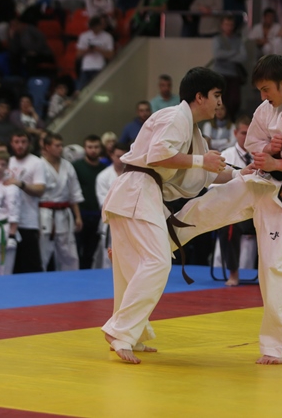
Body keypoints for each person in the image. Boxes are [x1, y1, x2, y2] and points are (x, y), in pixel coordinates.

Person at [173, 55, 282, 364]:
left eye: (267, 89)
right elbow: (253, 144)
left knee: (273, 265)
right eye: (260, 91)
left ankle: (279, 347)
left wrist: (279, 162)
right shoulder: (267, 109)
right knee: (210, 203)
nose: (263, 97)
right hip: (262, 178)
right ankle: (157, 240)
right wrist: (268, 150)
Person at [101, 66, 235, 364]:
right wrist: (201, 160)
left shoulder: (190, 128)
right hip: (137, 191)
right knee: (157, 261)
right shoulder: (176, 117)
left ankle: (131, 334)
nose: (219, 102)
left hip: (136, 192)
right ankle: (120, 330)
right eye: (216, 95)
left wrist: (242, 174)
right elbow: (158, 155)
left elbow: (205, 174)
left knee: (131, 267)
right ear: (199, 97)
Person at [213, 115, 257, 285]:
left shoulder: (261, 155)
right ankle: (233, 273)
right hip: (235, 211)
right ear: (235, 133)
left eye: (250, 133)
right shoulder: (226, 156)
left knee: (281, 226)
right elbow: (213, 186)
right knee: (228, 226)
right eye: (243, 133)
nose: (247, 137)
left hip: (258, 211)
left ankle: (272, 275)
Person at [39, 134, 84, 271]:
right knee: (43, 253)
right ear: (47, 147)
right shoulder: (39, 165)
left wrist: (78, 216)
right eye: (57, 145)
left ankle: (72, 280)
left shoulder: (67, 166)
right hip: (45, 214)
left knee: (69, 254)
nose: (61, 148)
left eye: (61, 145)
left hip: (64, 213)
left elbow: (74, 192)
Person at [6, 131, 47, 274]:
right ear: (11, 143)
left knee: (31, 265)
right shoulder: (7, 161)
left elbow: (40, 189)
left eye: (23, 142)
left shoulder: (36, 162)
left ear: (29, 143)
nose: (20, 145)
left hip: (28, 221)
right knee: (11, 266)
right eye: (16, 142)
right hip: (8, 221)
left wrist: (21, 184)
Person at [73, 135, 107, 269]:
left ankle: (87, 274)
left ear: (101, 148)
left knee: (91, 252)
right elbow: (73, 191)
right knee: (77, 250)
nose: (93, 150)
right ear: (85, 148)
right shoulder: (77, 166)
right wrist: (77, 216)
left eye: (96, 147)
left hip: (98, 215)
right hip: (81, 214)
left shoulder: (105, 169)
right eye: (90, 147)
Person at [95, 142, 128, 269]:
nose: (121, 159)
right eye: (118, 156)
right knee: (108, 258)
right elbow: (104, 204)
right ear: (111, 155)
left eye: (124, 156)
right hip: (111, 222)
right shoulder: (103, 176)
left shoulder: (134, 174)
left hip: (130, 222)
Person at [211, 16, 247, 121]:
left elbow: (243, 57)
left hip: (234, 74)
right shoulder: (217, 39)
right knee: (220, 100)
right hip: (220, 73)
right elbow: (217, 55)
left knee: (235, 101)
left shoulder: (238, 40)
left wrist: (226, 56)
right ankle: (219, 122)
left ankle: (231, 121)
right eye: (226, 24)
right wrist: (234, 53)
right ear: (222, 25)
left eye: (231, 25)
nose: (229, 27)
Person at [76, 16, 114, 91]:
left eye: (96, 27)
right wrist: (88, 50)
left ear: (100, 26)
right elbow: (78, 55)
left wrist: (98, 49)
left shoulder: (107, 37)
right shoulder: (84, 36)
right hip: (86, 68)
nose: (94, 30)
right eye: (92, 28)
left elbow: (111, 55)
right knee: (82, 90)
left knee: (99, 90)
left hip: (99, 67)